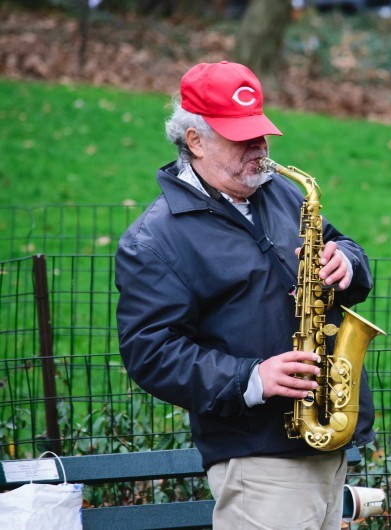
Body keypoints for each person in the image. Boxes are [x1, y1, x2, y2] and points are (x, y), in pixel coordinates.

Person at [115, 60, 376, 530]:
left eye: (260, 132)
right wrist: (251, 378)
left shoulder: (280, 192)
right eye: (241, 136)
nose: (259, 147)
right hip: (256, 458)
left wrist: (347, 263)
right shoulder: (153, 241)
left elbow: (345, 247)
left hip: (326, 441)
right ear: (194, 140)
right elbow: (150, 354)